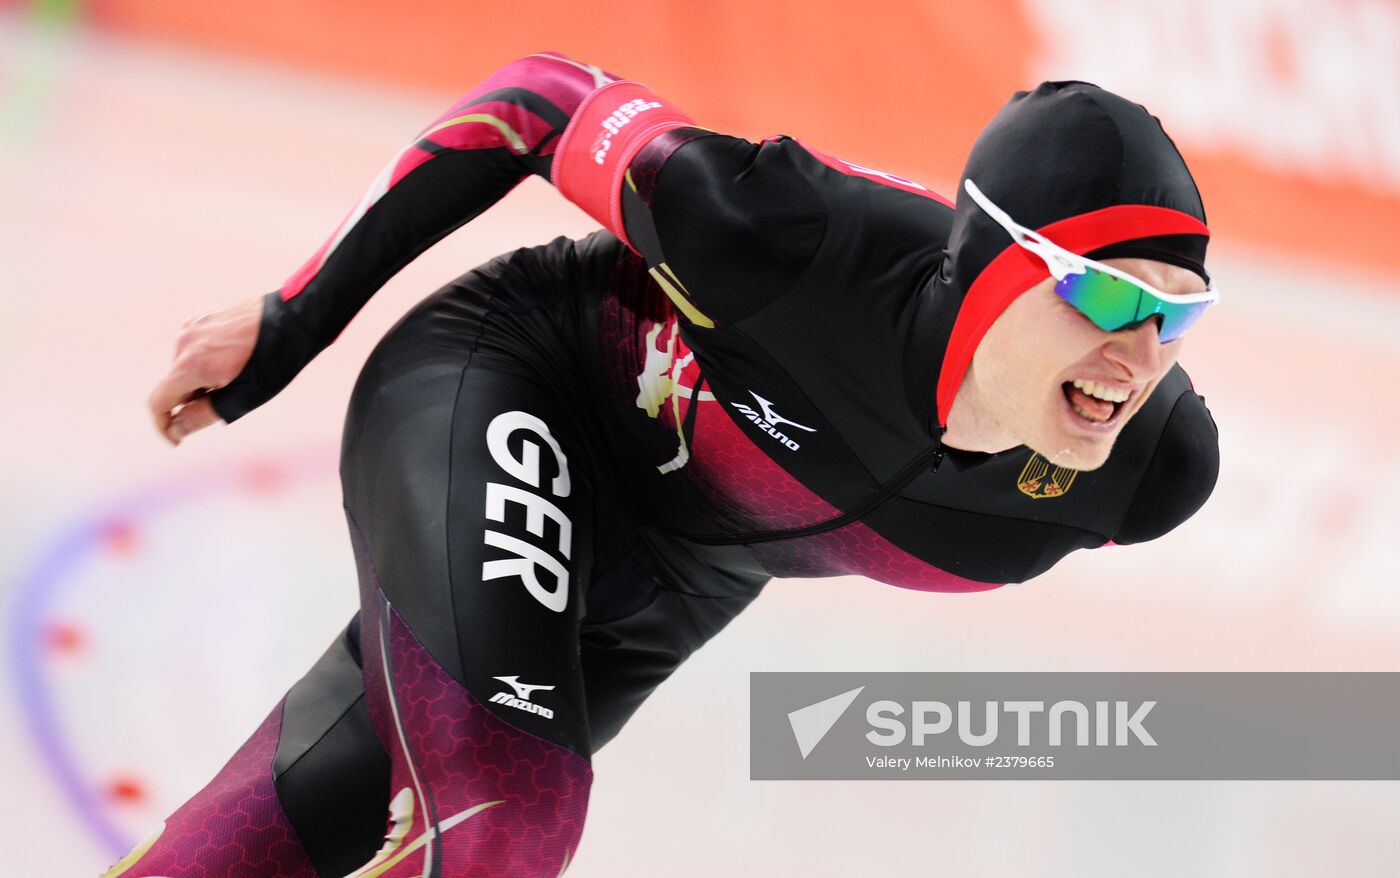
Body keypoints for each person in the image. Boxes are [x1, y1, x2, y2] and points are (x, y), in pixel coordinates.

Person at [123, 52, 1219, 877]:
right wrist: (294, 317)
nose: (1136, 355)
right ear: (988, 267)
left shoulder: (1146, 471)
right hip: (521, 384)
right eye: (1107, 293)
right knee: (506, 817)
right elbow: (537, 100)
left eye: (1176, 313)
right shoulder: (787, 239)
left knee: (284, 827)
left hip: (675, 582)